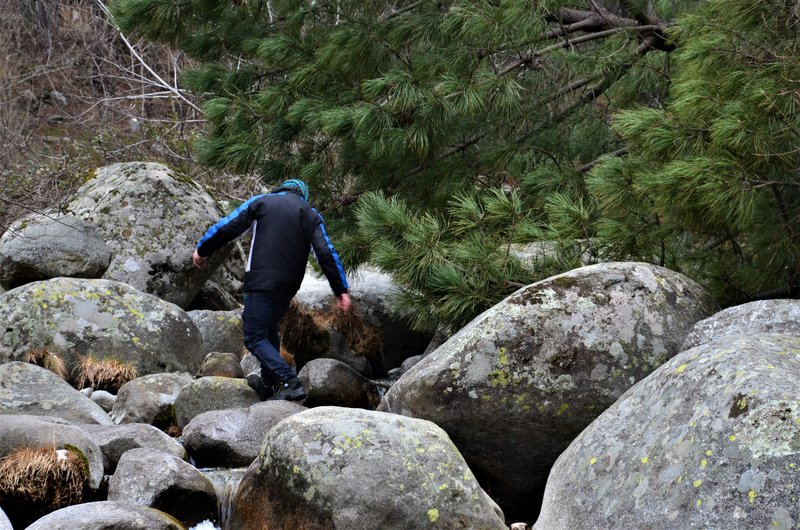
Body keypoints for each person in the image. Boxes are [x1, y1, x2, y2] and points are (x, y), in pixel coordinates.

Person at [192, 179, 351, 401]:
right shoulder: (309, 213)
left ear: (281, 190)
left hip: (261, 279)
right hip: (288, 286)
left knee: (254, 337)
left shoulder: (263, 202)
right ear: (302, 196)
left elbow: (228, 226)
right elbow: (326, 253)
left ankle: (289, 380)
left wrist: (203, 249)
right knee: (269, 330)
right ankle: (269, 383)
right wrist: (340, 289)